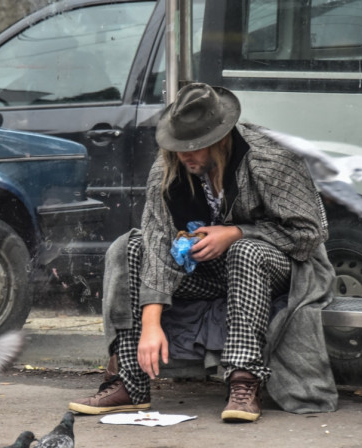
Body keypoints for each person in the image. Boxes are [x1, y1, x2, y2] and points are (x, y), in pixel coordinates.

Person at [68, 83, 339, 422]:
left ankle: (243, 381)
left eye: (194, 147)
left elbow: (310, 235)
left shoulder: (269, 157)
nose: (185, 155)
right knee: (128, 246)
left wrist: (236, 232)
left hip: (280, 267)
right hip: (207, 273)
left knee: (245, 251)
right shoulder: (168, 165)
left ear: (221, 136)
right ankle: (129, 382)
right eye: (178, 145)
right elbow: (155, 242)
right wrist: (151, 324)